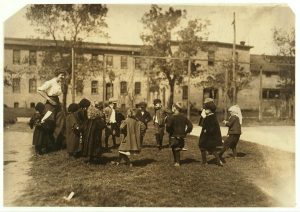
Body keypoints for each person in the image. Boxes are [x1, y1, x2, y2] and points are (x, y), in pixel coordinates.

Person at [37, 71, 66, 150]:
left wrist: (58, 103)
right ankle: (44, 145)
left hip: (56, 103)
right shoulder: (50, 82)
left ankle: (56, 142)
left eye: (64, 75)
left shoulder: (59, 83)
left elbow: (58, 94)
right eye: (62, 75)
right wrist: (49, 100)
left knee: (61, 120)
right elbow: (39, 90)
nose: (63, 77)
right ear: (57, 75)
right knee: (48, 122)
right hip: (50, 104)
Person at [166, 102, 193, 166]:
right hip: (181, 135)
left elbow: (168, 126)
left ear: (175, 108)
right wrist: (186, 132)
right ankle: (176, 161)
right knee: (177, 148)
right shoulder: (184, 117)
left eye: (173, 107)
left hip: (173, 135)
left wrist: (169, 131)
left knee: (175, 148)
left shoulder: (171, 117)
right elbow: (190, 126)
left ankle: (177, 162)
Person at [198, 98, 223, 166]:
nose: (205, 110)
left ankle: (204, 162)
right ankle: (218, 160)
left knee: (202, 147)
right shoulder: (211, 116)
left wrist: (207, 130)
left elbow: (211, 127)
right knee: (211, 149)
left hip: (207, 135)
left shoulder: (210, 117)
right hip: (209, 135)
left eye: (206, 109)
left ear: (210, 110)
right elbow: (203, 123)